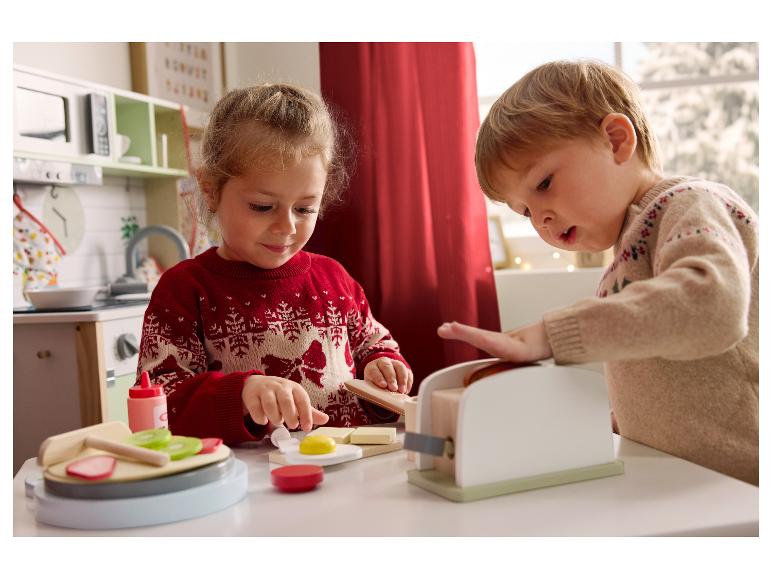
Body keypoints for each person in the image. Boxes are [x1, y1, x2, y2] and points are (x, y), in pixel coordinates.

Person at [438, 60, 758, 485]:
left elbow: (711, 307)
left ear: (616, 140)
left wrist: (553, 335)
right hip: (679, 481)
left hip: (740, 482)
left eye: (544, 184)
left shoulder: (690, 204)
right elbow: (666, 375)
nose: (540, 220)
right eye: (525, 211)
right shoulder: (628, 252)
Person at [136, 84, 413, 445]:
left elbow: (372, 344)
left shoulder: (334, 280)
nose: (287, 226)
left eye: (305, 208)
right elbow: (161, 406)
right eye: (262, 207)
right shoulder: (185, 291)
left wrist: (383, 366)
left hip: (345, 468)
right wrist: (241, 394)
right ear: (210, 189)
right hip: (248, 477)